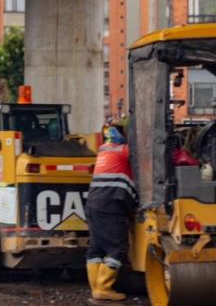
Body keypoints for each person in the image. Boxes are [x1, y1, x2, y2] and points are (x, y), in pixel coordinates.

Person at [85, 125, 137, 303]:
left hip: (94, 203)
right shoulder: (123, 151)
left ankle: (96, 289)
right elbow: (143, 155)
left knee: (96, 248)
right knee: (117, 248)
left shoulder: (103, 151)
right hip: (110, 205)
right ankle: (104, 288)